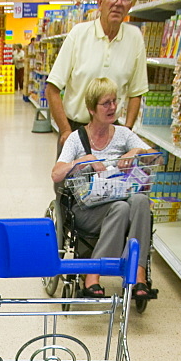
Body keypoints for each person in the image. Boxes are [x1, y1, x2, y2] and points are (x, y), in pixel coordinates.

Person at [51, 76, 152, 300]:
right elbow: (56, 173)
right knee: (122, 208)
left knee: (140, 201)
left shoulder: (124, 135)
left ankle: (139, 272)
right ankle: (93, 273)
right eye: (106, 103)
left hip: (121, 204)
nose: (113, 107)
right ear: (91, 108)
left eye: (115, 101)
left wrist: (137, 152)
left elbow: (156, 159)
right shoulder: (77, 139)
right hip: (87, 210)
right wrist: (84, 160)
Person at [45, 0, 147, 149]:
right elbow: (52, 88)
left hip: (113, 133)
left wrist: (128, 132)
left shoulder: (135, 38)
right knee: (67, 177)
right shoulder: (79, 34)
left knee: (111, 178)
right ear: (100, 2)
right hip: (76, 130)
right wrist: (66, 131)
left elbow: (136, 92)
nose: (118, 2)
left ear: (130, 5)